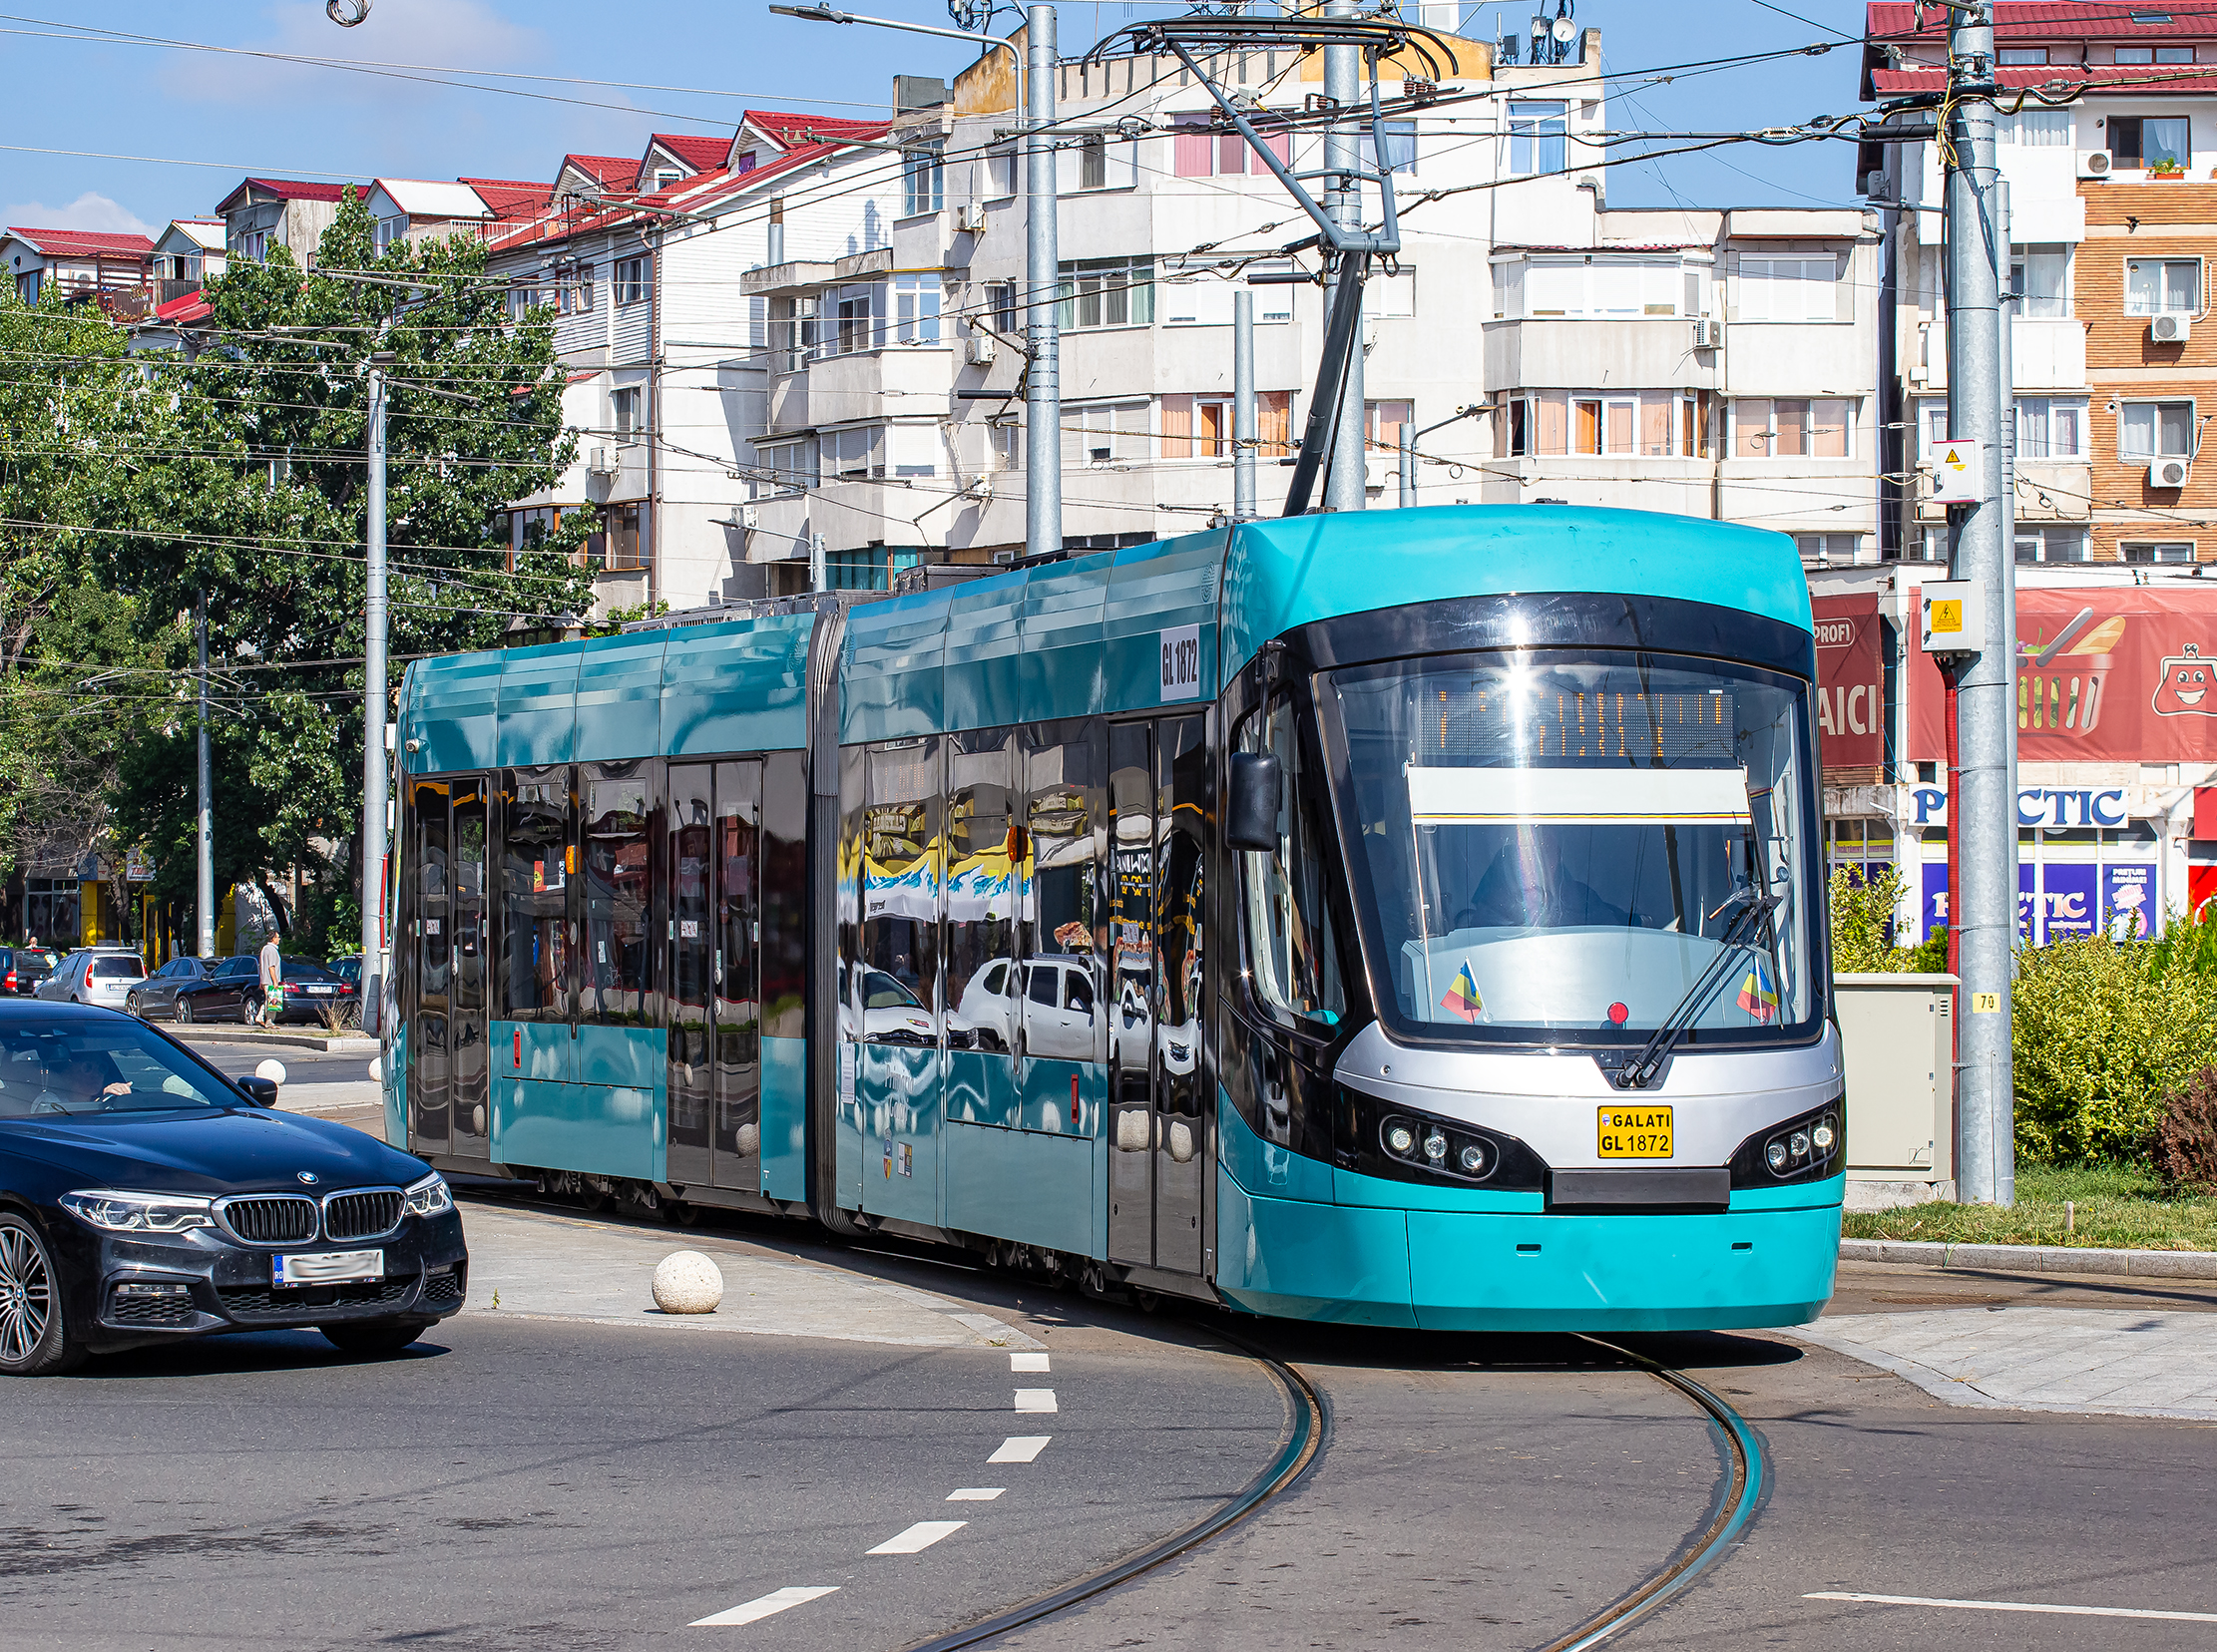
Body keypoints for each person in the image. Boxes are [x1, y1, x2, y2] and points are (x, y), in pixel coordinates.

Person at [1460, 829, 1630, 931]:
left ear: (1559, 855)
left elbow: (1612, 939)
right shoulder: (1491, 905)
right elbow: (1478, 949)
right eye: (1527, 850)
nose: (1536, 859)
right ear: (1512, 857)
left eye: (1546, 850)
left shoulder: (1582, 898)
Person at [257, 933, 282, 1029]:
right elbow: (271, 967)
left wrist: (261, 981)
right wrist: (275, 981)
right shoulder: (272, 950)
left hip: (265, 980)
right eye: (277, 937)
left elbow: (261, 967)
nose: (279, 939)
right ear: (273, 938)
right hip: (270, 980)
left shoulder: (264, 949)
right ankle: (269, 1021)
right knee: (273, 1000)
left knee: (269, 1000)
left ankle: (260, 1017)